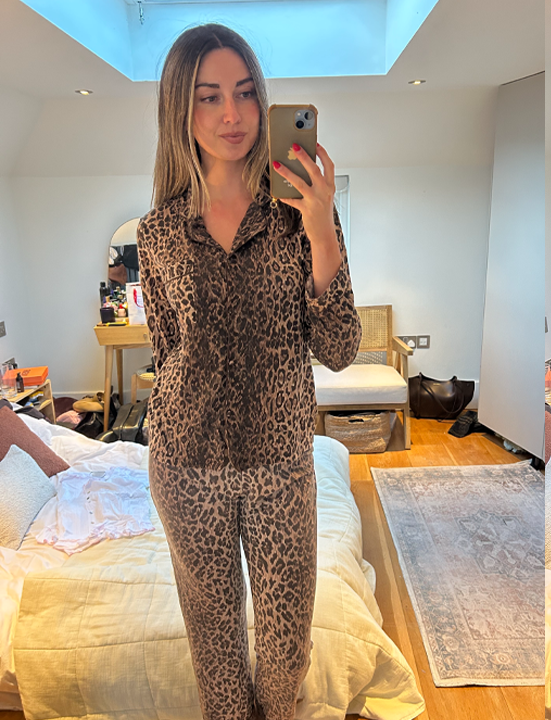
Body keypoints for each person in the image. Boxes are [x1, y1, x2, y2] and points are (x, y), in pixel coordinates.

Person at [136, 23, 362, 720]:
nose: (231, 115)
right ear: (181, 110)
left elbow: (340, 347)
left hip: (280, 463)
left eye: (244, 94)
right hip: (186, 464)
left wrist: (322, 230)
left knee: (286, 646)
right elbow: (166, 351)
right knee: (215, 646)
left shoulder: (300, 215)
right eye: (209, 97)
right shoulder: (157, 232)